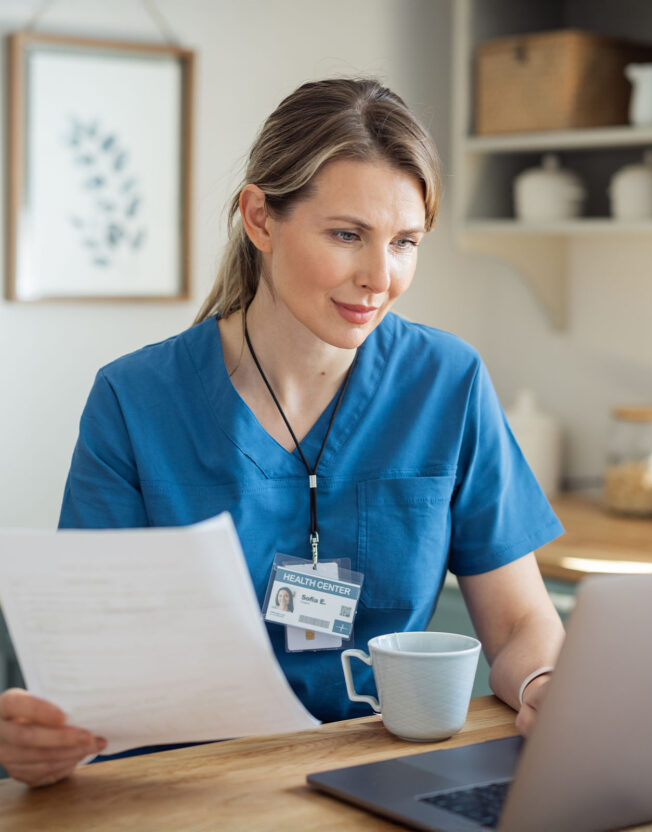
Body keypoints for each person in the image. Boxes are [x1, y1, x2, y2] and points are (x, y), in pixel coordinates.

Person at [0, 78, 565, 788]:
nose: (378, 277)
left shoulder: (448, 383)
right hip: (187, 792)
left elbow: (518, 628)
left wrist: (546, 683)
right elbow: (88, 670)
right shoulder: (134, 400)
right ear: (261, 219)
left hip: (377, 783)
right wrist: (41, 739)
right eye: (347, 235)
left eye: (404, 242)